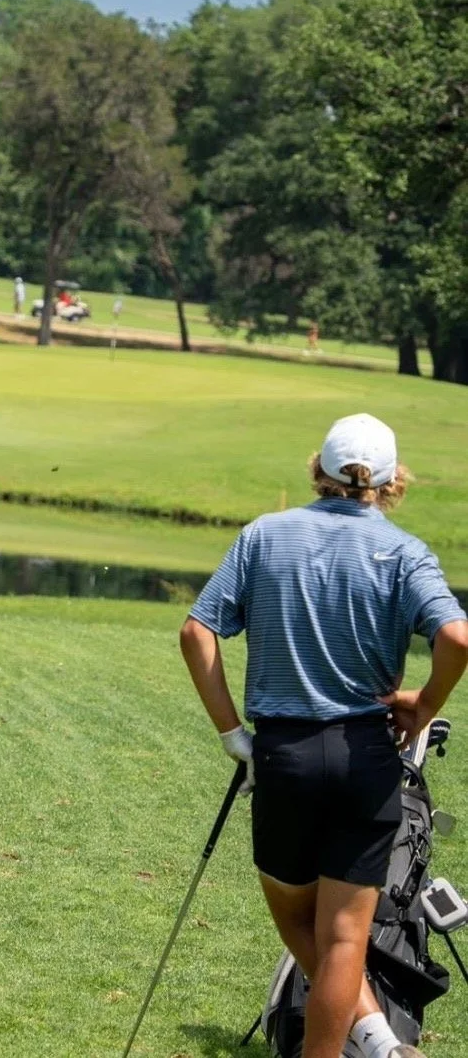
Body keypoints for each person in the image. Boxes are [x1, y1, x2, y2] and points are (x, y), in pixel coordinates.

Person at [180, 413, 468, 1058]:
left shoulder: (265, 536)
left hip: (286, 755)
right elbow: (456, 637)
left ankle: (374, 1039)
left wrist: (232, 735)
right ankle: (378, 1042)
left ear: (319, 469)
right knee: (344, 938)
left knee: (295, 918)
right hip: (369, 760)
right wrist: (421, 705)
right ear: (392, 483)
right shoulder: (405, 551)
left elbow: (197, 631)